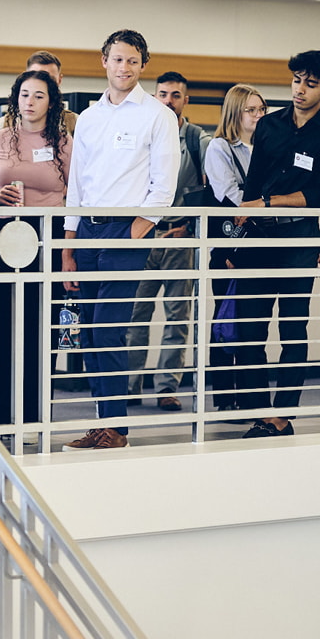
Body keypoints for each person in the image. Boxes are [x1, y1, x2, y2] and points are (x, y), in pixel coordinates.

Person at [60, 29, 179, 452]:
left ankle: (117, 429)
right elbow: (77, 184)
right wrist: (68, 247)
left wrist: (135, 230)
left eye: (132, 60)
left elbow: (164, 187)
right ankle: (101, 423)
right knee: (89, 332)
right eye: (116, 59)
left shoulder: (156, 115)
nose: (124, 68)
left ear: (142, 64)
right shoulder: (90, 116)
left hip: (126, 230)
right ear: (104, 62)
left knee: (110, 330)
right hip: (87, 229)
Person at [236, 50, 320, 439]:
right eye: (296, 80)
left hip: (300, 235)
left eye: (311, 83)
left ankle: (282, 415)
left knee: (292, 327)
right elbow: (253, 185)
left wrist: (269, 203)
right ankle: (257, 411)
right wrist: (242, 229)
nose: (300, 89)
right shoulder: (269, 125)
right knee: (249, 328)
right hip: (258, 236)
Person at [0, 69, 72, 428]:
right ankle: (3, 414)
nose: (30, 102)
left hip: (49, 236)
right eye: (24, 95)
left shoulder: (64, 141)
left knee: (41, 326)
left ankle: (36, 414)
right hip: (7, 237)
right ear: (15, 98)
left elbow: (76, 194)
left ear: (51, 102)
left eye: (39, 95)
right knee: (4, 325)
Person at [125, 71, 207, 411]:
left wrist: (189, 228)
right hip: (143, 236)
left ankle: (167, 387)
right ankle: (130, 384)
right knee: (136, 314)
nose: (169, 101)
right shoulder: (142, 131)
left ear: (185, 100)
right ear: (154, 97)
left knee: (177, 316)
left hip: (179, 237)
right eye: (163, 94)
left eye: (176, 95)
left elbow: (209, 189)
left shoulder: (197, 138)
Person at [200, 83, 266, 411]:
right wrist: (266, 207)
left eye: (261, 109)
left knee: (252, 322)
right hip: (229, 246)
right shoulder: (220, 148)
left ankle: (252, 398)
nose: (258, 115)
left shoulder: (267, 147)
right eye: (251, 110)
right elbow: (228, 193)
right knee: (226, 320)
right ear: (235, 113)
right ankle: (226, 398)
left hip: (261, 242)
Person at [24, 51, 78, 134]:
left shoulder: (76, 122)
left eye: (50, 79)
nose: (43, 84)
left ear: (59, 80)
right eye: (37, 77)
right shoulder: (3, 124)